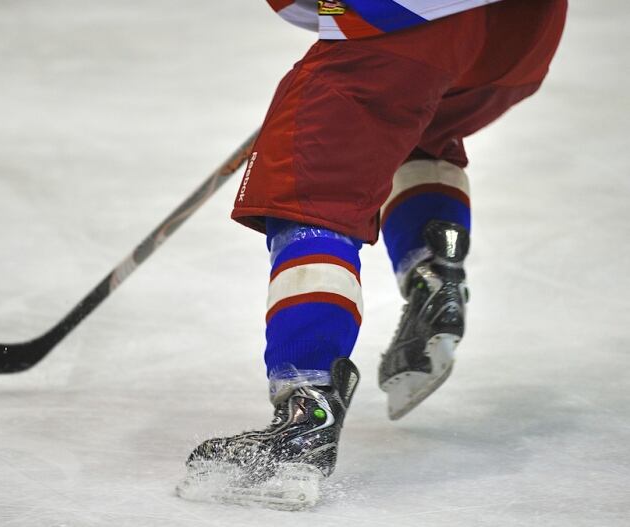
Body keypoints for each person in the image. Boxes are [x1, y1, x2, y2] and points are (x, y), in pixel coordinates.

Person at [177, 0, 567, 509]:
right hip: (520, 38)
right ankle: (435, 279)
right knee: (410, 125)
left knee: (314, 185)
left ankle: (305, 413)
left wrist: (343, 29)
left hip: (415, 22)